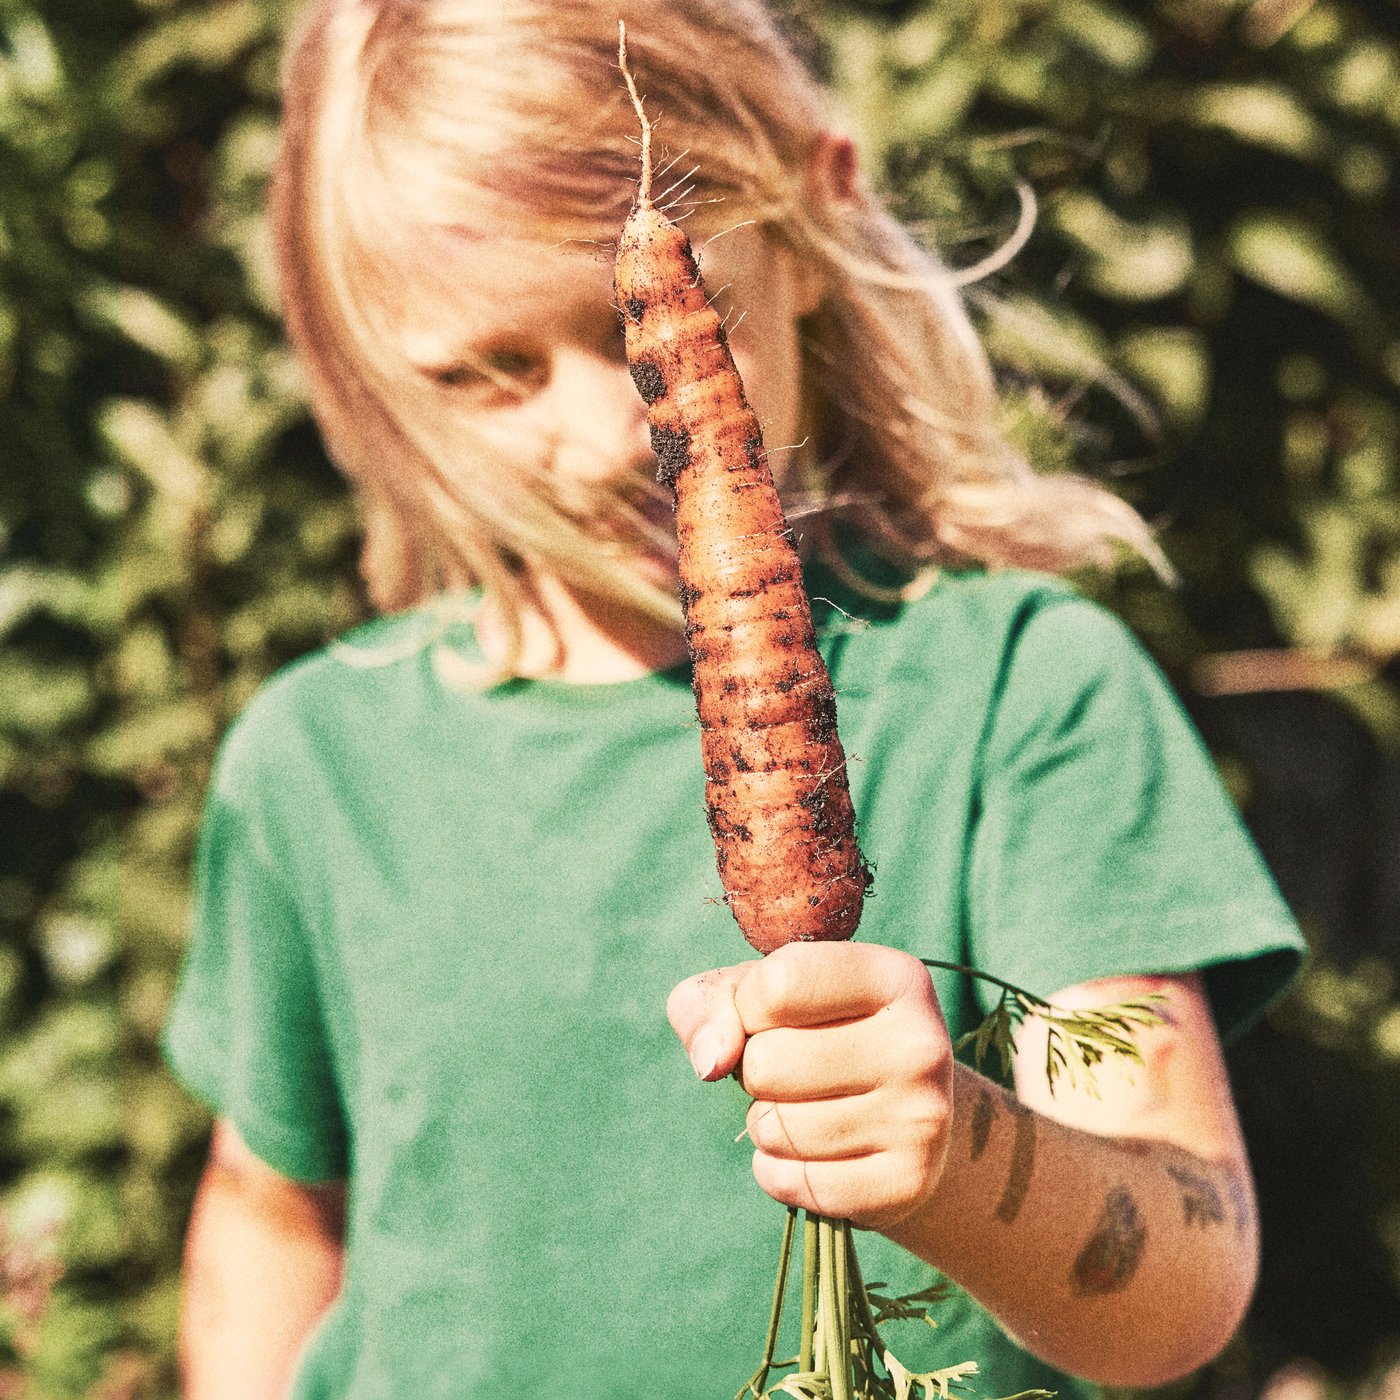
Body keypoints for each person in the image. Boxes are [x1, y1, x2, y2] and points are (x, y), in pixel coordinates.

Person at [161, 1, 1306, 1396]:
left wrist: (960, 1154)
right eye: (489, 373)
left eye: (641, 327)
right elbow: (270, 1215)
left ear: (814, 225)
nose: (603, 440)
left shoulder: (1019, 687)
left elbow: (1186, 1283)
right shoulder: (320, 763)